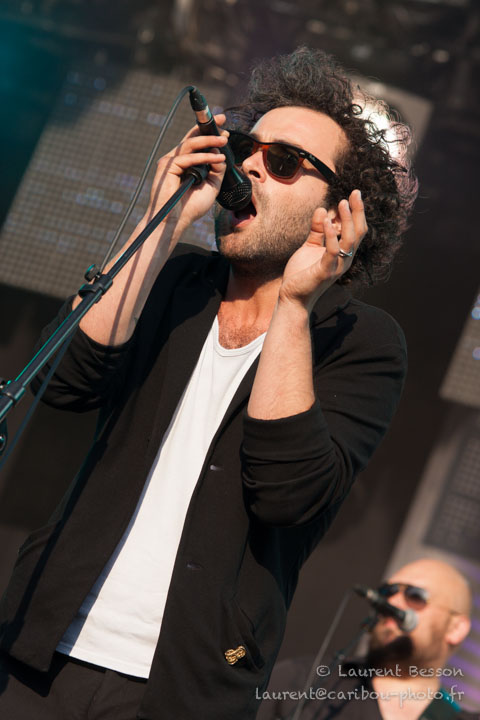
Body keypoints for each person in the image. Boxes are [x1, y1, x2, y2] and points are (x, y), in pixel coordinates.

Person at [0, 47, 417, 719]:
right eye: (248, 150)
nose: (250, 167)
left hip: (181, 688)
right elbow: (65, 381)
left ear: (340, 211)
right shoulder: (176, 282)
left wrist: (294, 307)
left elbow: (286, 493)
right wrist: (164, 221)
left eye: (284, 162)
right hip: (41, 648)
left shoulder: (360, 340)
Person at [257, 557, 476, 720]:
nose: (393, 602)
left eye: (415, 595)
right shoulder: (301, 679)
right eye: (388, 591)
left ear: (455, 629)